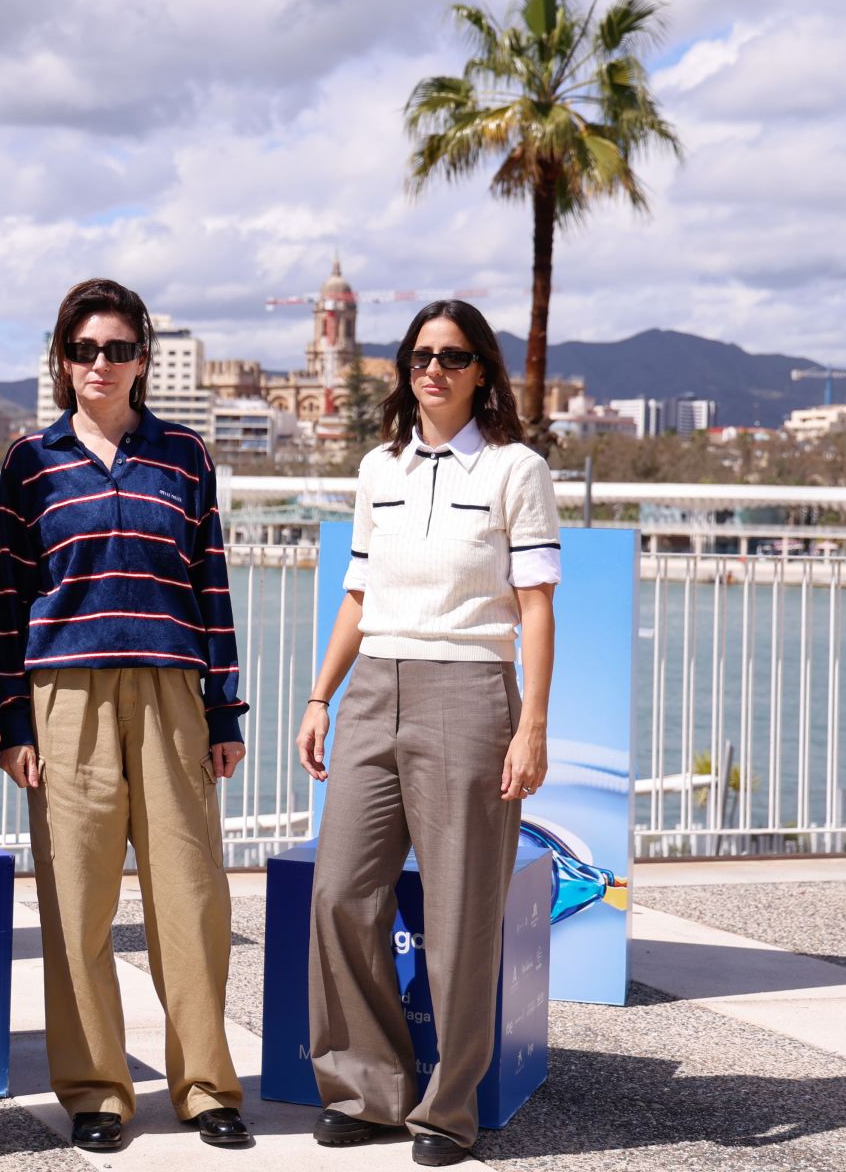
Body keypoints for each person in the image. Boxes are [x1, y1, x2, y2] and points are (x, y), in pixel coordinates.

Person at [0, 278, 252, 1152]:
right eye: (84, 350)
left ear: (143, 359)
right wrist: (15, 723)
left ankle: (207, 1086)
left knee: (192, 898)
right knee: (76, 907)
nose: (101, 365)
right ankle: (97, 1090)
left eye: (118, 349)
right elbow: (5, 601)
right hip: (65, 700)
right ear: (62, 361)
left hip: (174, 696)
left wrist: (225, 710)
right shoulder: (31, 461)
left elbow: (211, 584)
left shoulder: (186, 456)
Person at [295, 299, 559, 1167]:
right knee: (340, 893)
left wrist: (531, 727)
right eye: (419, 356)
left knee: (458, 918)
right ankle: (367, 1090)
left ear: (482, 369)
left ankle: (447, 1112)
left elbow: (534, 607)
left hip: (470, 695)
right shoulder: (380, 468)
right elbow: (358, 594)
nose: (433, 370)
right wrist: (319, 697)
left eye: (451, 356)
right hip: (374, 688)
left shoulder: (517, 470)